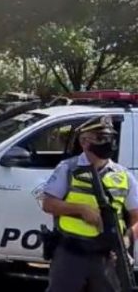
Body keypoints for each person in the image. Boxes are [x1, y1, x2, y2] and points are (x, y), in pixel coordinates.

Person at [42, 116, 138, 292]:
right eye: (101, 138)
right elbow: (48, 204)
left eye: (110, 138)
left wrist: (126, 240)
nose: (107, 143)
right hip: (71, 254)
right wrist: (81, 209)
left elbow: (136, 217)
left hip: (108, 257)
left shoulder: (124, 175)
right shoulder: (68, 168)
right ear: (84, 142)